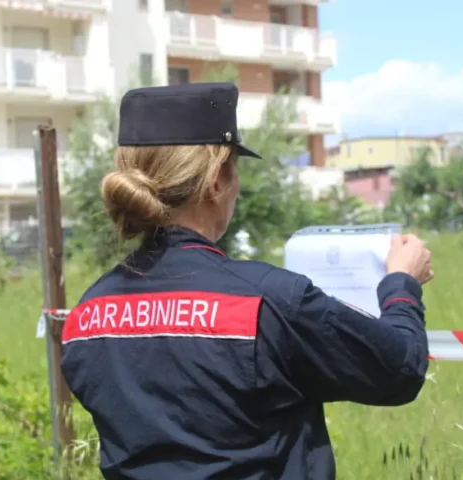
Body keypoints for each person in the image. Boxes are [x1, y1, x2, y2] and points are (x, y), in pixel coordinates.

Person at [58, 82, 434, 480]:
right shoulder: (269, 302)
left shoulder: (86, 314)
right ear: (217, 181)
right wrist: (401, 284)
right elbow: (399, 370)